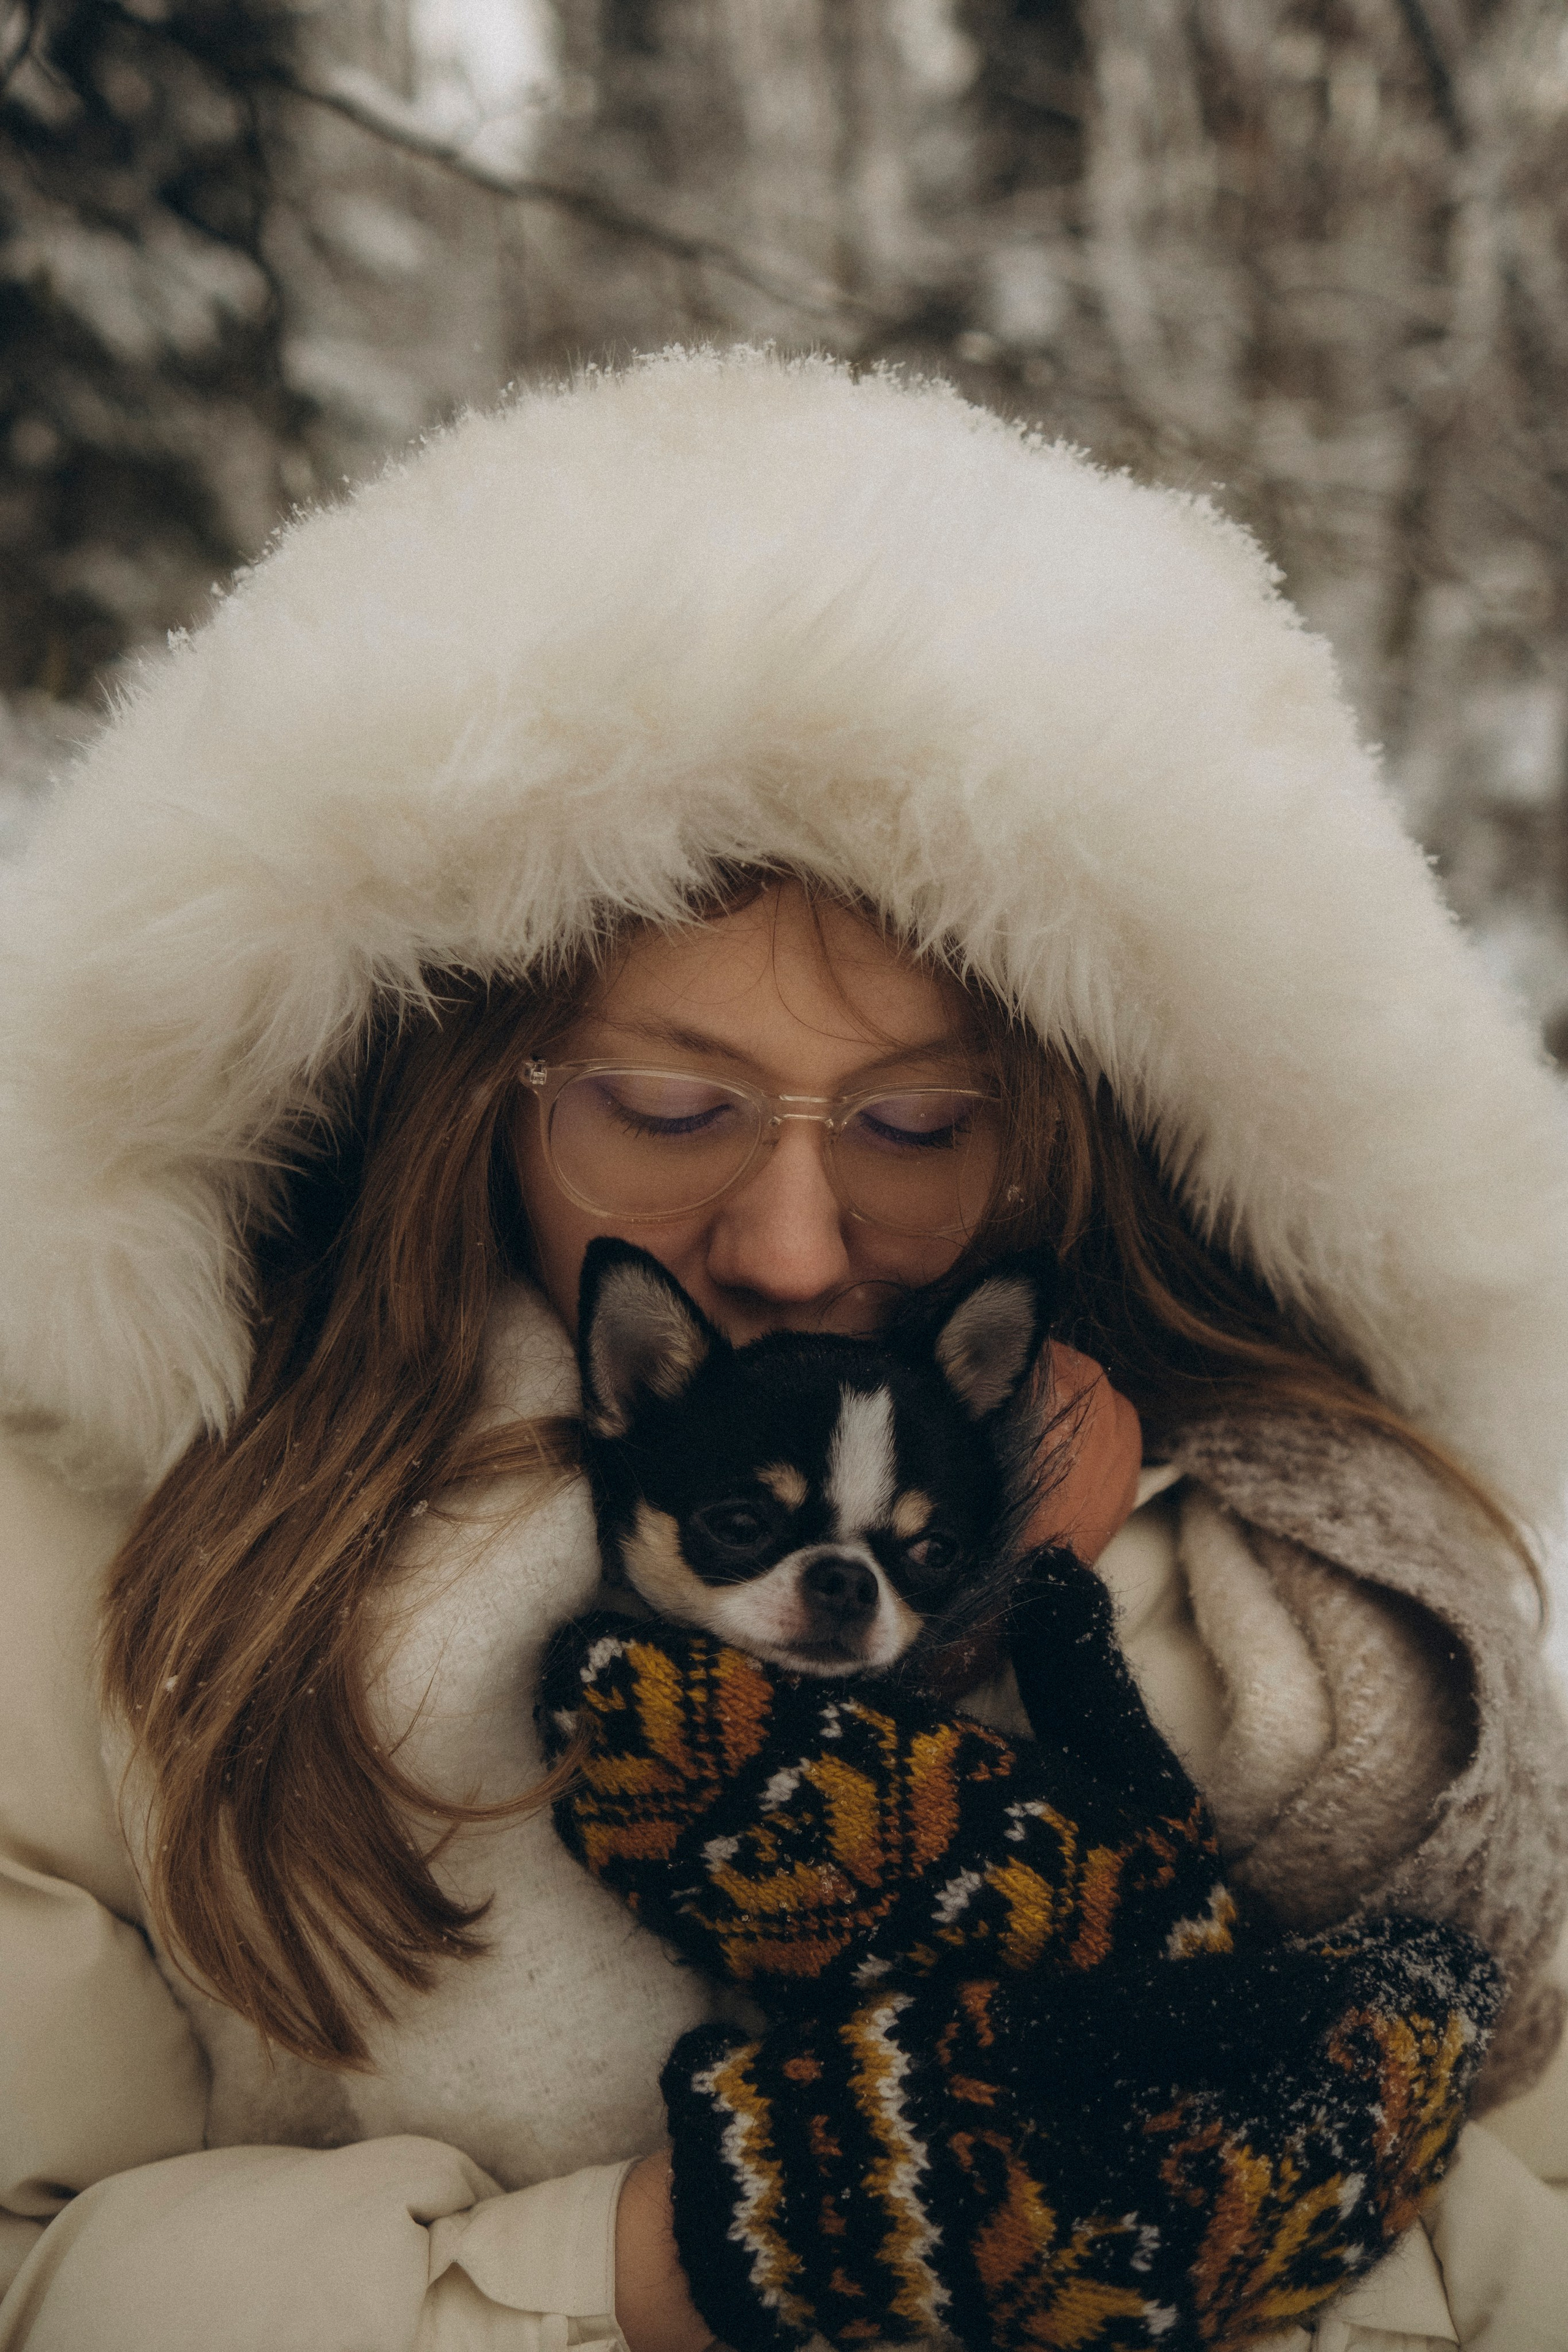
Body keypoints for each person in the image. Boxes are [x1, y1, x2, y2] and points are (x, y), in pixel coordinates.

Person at [1, 345, 1566, 2350]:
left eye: (916, 1127)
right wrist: (651, 2269)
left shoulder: (1316, 1607)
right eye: (666, 1112)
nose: (794, 1240)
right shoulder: (129, 1550)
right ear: (453, 1087)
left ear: (1074, 1122)